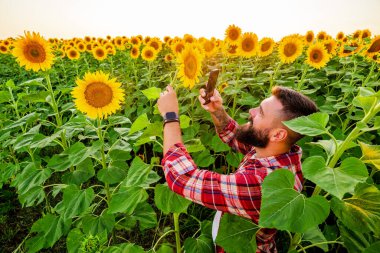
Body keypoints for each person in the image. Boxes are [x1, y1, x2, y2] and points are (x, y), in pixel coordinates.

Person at [157, 84, 318, 253]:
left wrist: (170, 116)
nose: (252, 111)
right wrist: (217, 110)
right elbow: (239, 138)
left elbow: (181, 177)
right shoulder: (285, 155)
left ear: (278, 135)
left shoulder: (263, 184)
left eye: (260, 112)